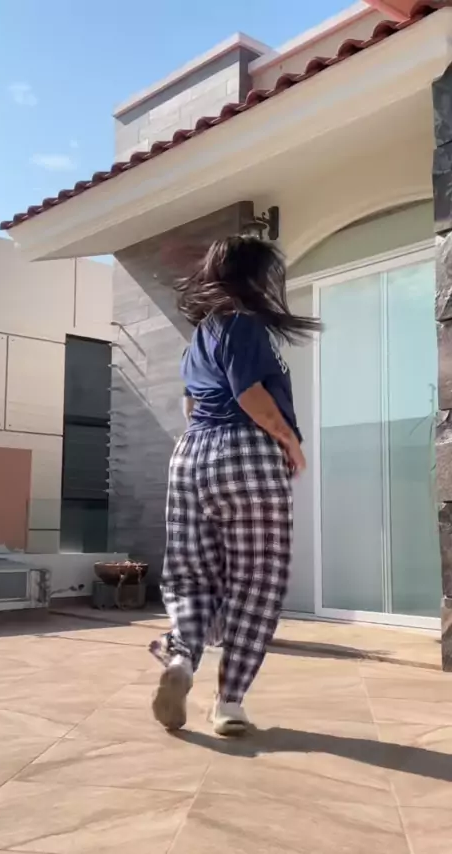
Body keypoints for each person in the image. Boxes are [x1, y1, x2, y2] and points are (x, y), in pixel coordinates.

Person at [150, 234, 321, 736]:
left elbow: (190, 408)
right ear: (253, 276)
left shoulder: (197, 341)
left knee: (191, 576)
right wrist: (289, 441)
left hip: (190, 458)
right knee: (256, 583)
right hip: (247, 453)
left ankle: (181, 660)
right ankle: (228, 703)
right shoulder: (243, 324)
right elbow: (248, 394)